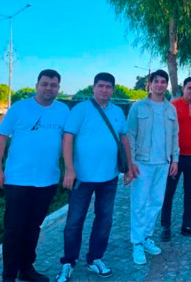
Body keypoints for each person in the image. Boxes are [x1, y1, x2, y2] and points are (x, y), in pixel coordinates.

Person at [56, 73, 135, 282]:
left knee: (104, 219)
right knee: (74, 221)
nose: (104, 90)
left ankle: (95, 258)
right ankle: (68, 262)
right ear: (93, 87)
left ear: (113, 90)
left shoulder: (118, 112)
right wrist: (69, 169)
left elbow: (124, 140)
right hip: (82, 177)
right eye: (101, 86)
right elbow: (68, 138)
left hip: (109, 177)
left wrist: (129, 167)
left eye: (108, 87)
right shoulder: (80, 109)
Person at [0, 69, 70, 282]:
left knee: (33, 228)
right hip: (18, 180)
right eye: (44, 84)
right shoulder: (20, 108)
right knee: (13, 230)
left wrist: (69, 169)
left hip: (47, 180)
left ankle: (26, 269)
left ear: (58, 87)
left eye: (53, 85)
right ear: (37, 85)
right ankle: (8, 276)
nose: (48, 88)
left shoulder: (63, 110)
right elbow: (0, 137)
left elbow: (67, 141)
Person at [127, 69, 179, 265]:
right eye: (156, 81)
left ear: (166, 85)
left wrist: (175, 160)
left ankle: (146, 236)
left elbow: (175, 136)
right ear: (150, 84)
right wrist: (131, 162)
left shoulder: (171, 109)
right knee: (139, 203)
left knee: (156, 202)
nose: (159, 85)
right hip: (142, 162)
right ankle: (137, 242)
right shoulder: (138, 107)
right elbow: (130, 136)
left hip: (163, 162)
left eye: (163, 82)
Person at [160, 77, 191, 242]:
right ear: (183, 88)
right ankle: (165, 226)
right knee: (169, 192)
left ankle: (187, 226)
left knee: (190, 192)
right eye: (189, 88)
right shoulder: (172, 107)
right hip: (174, 158)